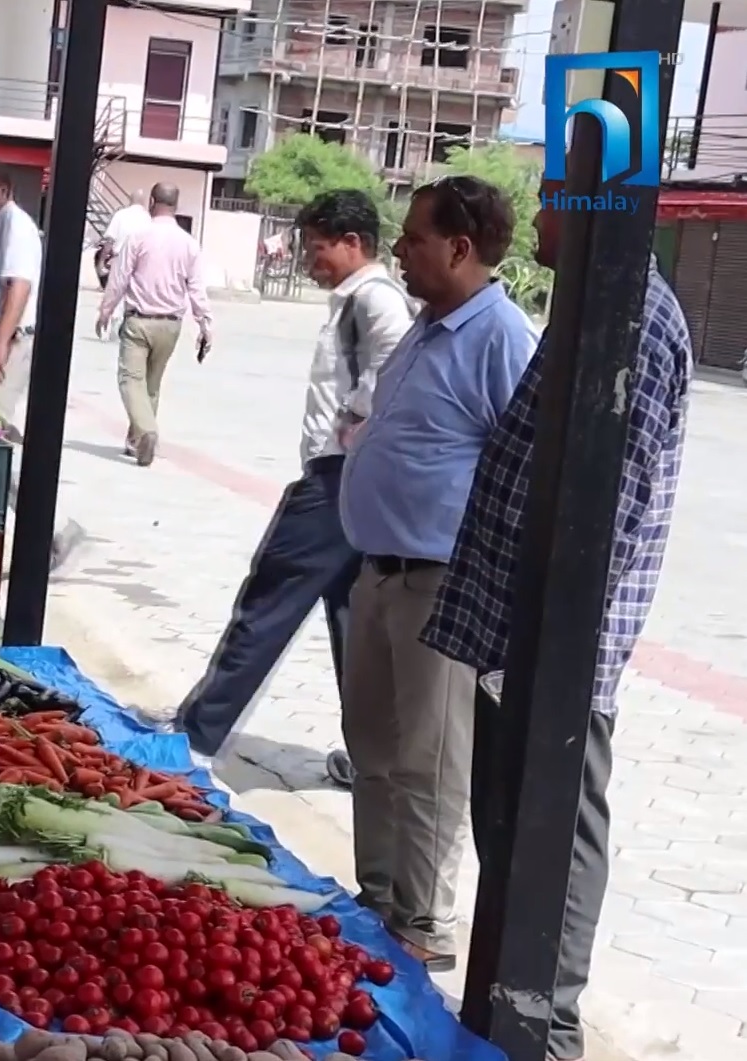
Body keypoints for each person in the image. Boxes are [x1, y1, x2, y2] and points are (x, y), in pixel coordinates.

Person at [422, 178, 691, 1061]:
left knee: (557, 822)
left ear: (590, 210)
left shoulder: (635, 320)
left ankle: (549, 1023)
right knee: (504, 815)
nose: (530, 221)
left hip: (560, 639)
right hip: (516, 629)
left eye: (545, 204)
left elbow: (613, 498)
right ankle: (499, 999)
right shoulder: (588, 305)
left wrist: (554, 637)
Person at [337, 175, 538, 971]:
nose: (399, 250)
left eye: (414, 238)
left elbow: (519, 464)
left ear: (459, 248)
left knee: (428, 756)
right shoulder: (427, 326)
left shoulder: (501, 337)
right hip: (378, 571)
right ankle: (379, 896)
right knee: (373, 744)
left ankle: (421, 920)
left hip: (441, 580)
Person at [174, 190, 412, 767]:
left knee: (267, 603)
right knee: (354, 631)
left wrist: (356, 416)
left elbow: (395, 367)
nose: (310, 261)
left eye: (319, 248)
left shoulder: (376, 301)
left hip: (336, 483)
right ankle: (374, 759)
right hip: (354, 484)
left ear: (354, 243)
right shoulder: (355, 299)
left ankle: (195, 737)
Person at [0, 160, 83, 570]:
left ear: (6, 191)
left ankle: (53, 529)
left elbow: (19, 287)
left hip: (5, 346)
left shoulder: (16, 226)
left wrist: (0, 344)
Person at [95, 184, 213, 467]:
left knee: (130, 379)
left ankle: (146, 432)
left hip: (139, 321)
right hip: (171, 325)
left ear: (152, 202)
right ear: (176, 204)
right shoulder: (188, 244)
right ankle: (136, 441)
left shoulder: (139, 237)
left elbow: (120, 278)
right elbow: (196, 288)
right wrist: (205, 324)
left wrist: (105, 310)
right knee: (151, 385)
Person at [94, 189, 151, 337]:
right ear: (144, 201)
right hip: (140, 263)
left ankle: (111, 326)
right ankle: (126, 328)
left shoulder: (120, 215)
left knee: (115, 293)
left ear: (130, 199)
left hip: (119, 259)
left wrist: (101, 262)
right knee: (133, 296)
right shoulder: (148, 219)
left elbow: (109, 240)